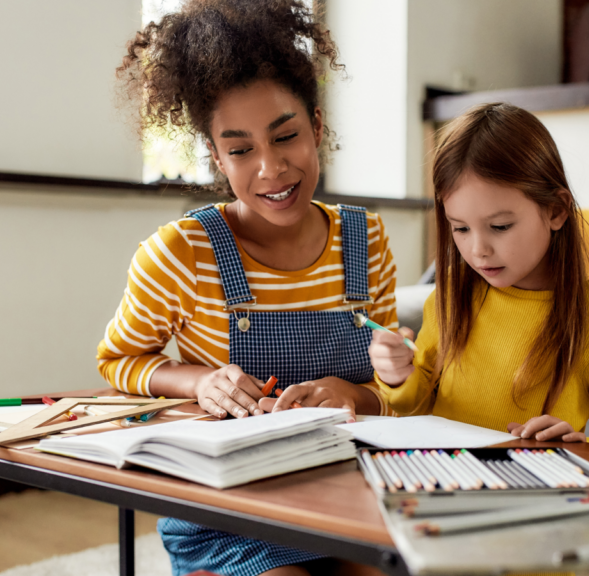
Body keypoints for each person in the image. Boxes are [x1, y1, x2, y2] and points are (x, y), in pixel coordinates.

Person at [101, 1, 396, 574]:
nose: (271, 168)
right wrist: (199, 381)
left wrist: (354, 392)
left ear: (316, 126)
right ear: (215, 156)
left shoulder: (366, 239)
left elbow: (392, 385)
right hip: (227, 511)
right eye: (241, 150)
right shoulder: (182, 251)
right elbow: (119, 360)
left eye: (285, 136)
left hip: (342, 491)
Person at [368, 103, 589, 451]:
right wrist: (398, 376)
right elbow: (416, 407)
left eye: (500, 227)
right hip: (442, 482)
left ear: (556, 210)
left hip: (532, 496)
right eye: (460, 228)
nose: (478, 249)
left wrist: (579, 447)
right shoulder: (448, 299)